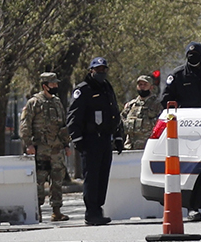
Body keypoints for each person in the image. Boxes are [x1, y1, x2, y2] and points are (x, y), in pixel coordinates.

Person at [65, 57, 121, 226]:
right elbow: (73, 117)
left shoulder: (107, 87)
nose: (101, 72)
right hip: (90, 141)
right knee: (92, 177)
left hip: (105, 139)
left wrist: (118, 136)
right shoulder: (83, 90)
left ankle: (98, 208)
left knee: (103, 176)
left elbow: (114, 113)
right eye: (98, 70)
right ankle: (91, 212)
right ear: (91, 71)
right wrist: (77, 140)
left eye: (104, 69)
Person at [21, 72, 72, 222]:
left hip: (57, 149)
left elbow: (63, 125)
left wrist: (66, 144)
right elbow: (25, 125)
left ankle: (56, 211)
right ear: (45, 86)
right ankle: (37, 212)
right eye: (52, 83)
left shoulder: (57, 102)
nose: (55, 86)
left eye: (56, 83)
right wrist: (28, 144)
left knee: (57, 180)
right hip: (41, 149)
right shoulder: (34, 103)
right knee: (39, 181)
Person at [161, 42, 201, 109]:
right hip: (185, 114)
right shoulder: (178, 75)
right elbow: (166, 98)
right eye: (190, 53)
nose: (192, 56)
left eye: (195, 53)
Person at [121, 74, 160, 143]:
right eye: (140, 85)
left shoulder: (157, 105)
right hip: (130, 145)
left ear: (151, 87)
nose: (142, 87)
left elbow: (160, 124)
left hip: (148, 144)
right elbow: (121, 121)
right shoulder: (131, 105)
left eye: (145, 85)